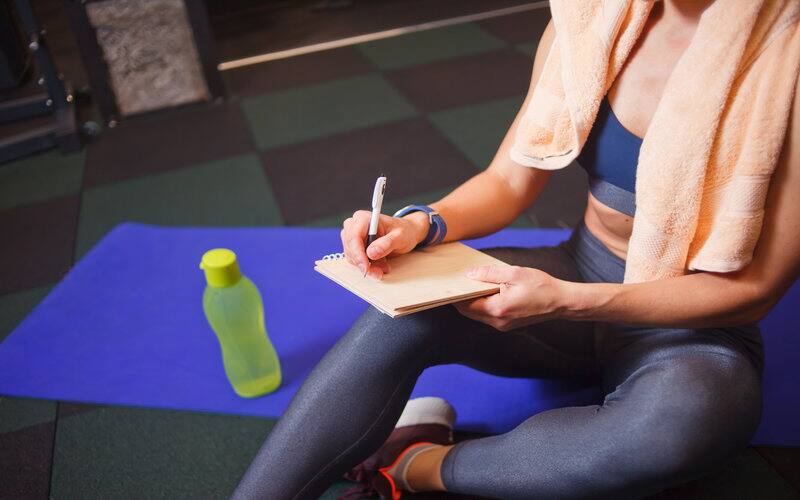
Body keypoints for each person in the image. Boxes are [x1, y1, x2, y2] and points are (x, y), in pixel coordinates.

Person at [233, 0, 800, 498]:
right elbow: (508, 182)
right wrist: (420, 225)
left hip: (695, 328)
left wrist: (570, 302)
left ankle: (416, 462)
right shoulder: (591, 19)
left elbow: (753, 291)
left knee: (680, 430)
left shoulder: (788, 58)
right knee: (399, 312)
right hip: (583, 266)